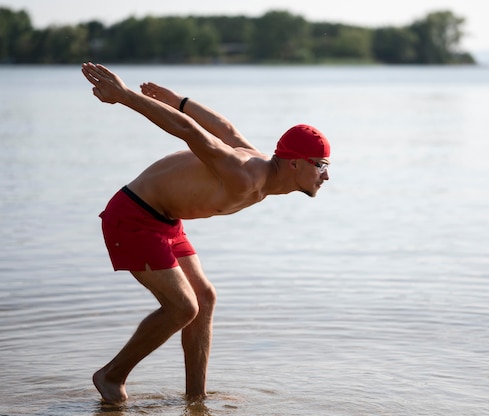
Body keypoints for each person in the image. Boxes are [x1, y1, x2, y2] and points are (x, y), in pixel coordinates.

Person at [80, 62, 331, 405]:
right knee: (183, 307)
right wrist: (124, 97)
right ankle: (111, 376)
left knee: (205, 299)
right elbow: (190, 132)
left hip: (166, 221)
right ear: (295, 163)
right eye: (321, 164)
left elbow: (223, 126)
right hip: (133, 217)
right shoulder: (244, 173)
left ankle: (195, 399)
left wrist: (179, 99)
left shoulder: (263, 171)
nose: (326, 175)